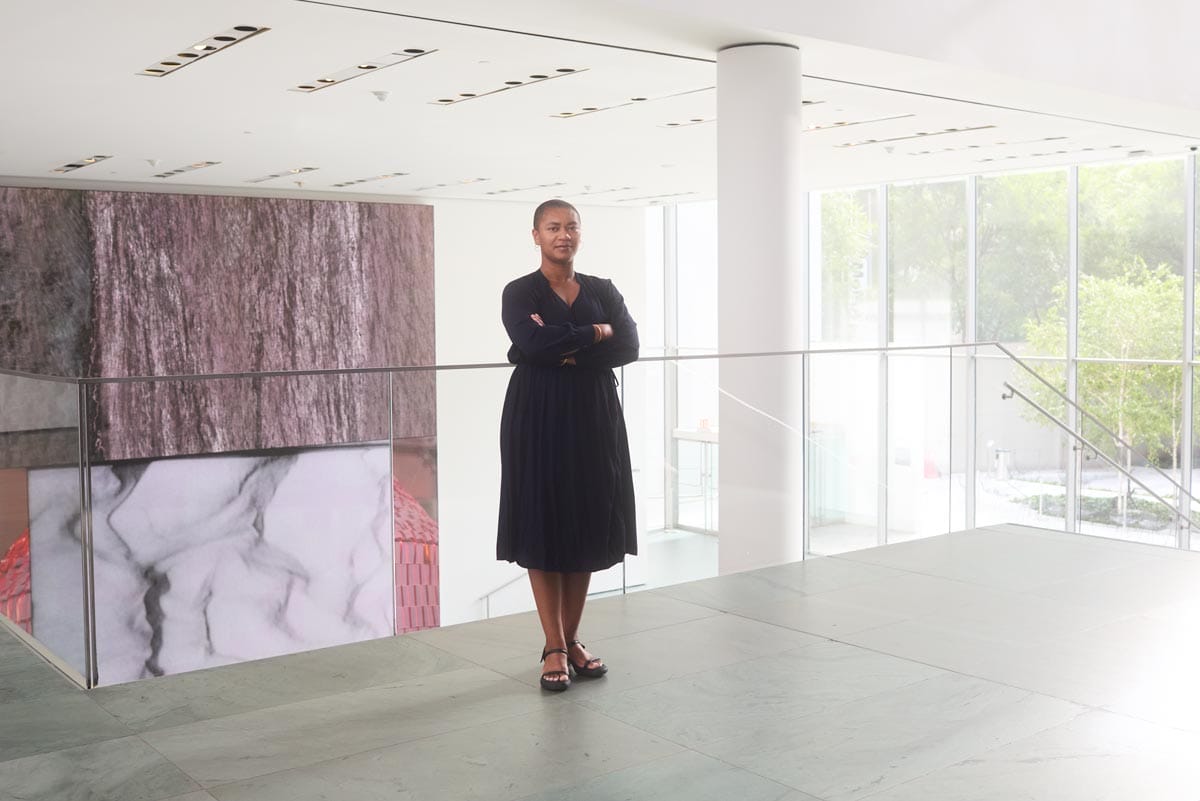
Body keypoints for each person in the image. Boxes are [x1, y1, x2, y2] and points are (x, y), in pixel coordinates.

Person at [497, 199, 639, 691]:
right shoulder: (520, 292)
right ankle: (553, 646)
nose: (564, 235)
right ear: (535, 235)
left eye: (571, 226)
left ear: (580, 234)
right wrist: (594, 334)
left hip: (594, 416)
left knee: (587, 518)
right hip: (536, 414)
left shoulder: (602, 289)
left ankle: (572, 639)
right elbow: (530, 346)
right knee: (544, 519)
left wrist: (565, 345)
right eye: (553, 227)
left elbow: (629, 348)